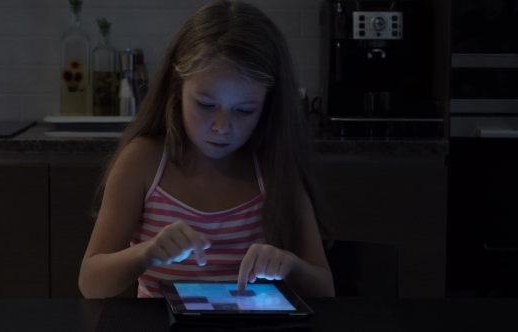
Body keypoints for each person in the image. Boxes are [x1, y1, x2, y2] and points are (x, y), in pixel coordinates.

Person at [79, 0, 335, 299]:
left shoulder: (273, 167)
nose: (222, 126)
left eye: (244, 110)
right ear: (177, 87)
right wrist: (147, 253)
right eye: (206, 105)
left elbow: (325, 289)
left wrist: (290, 266)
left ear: (268, 105)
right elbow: (91, 284)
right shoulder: (144, 161)